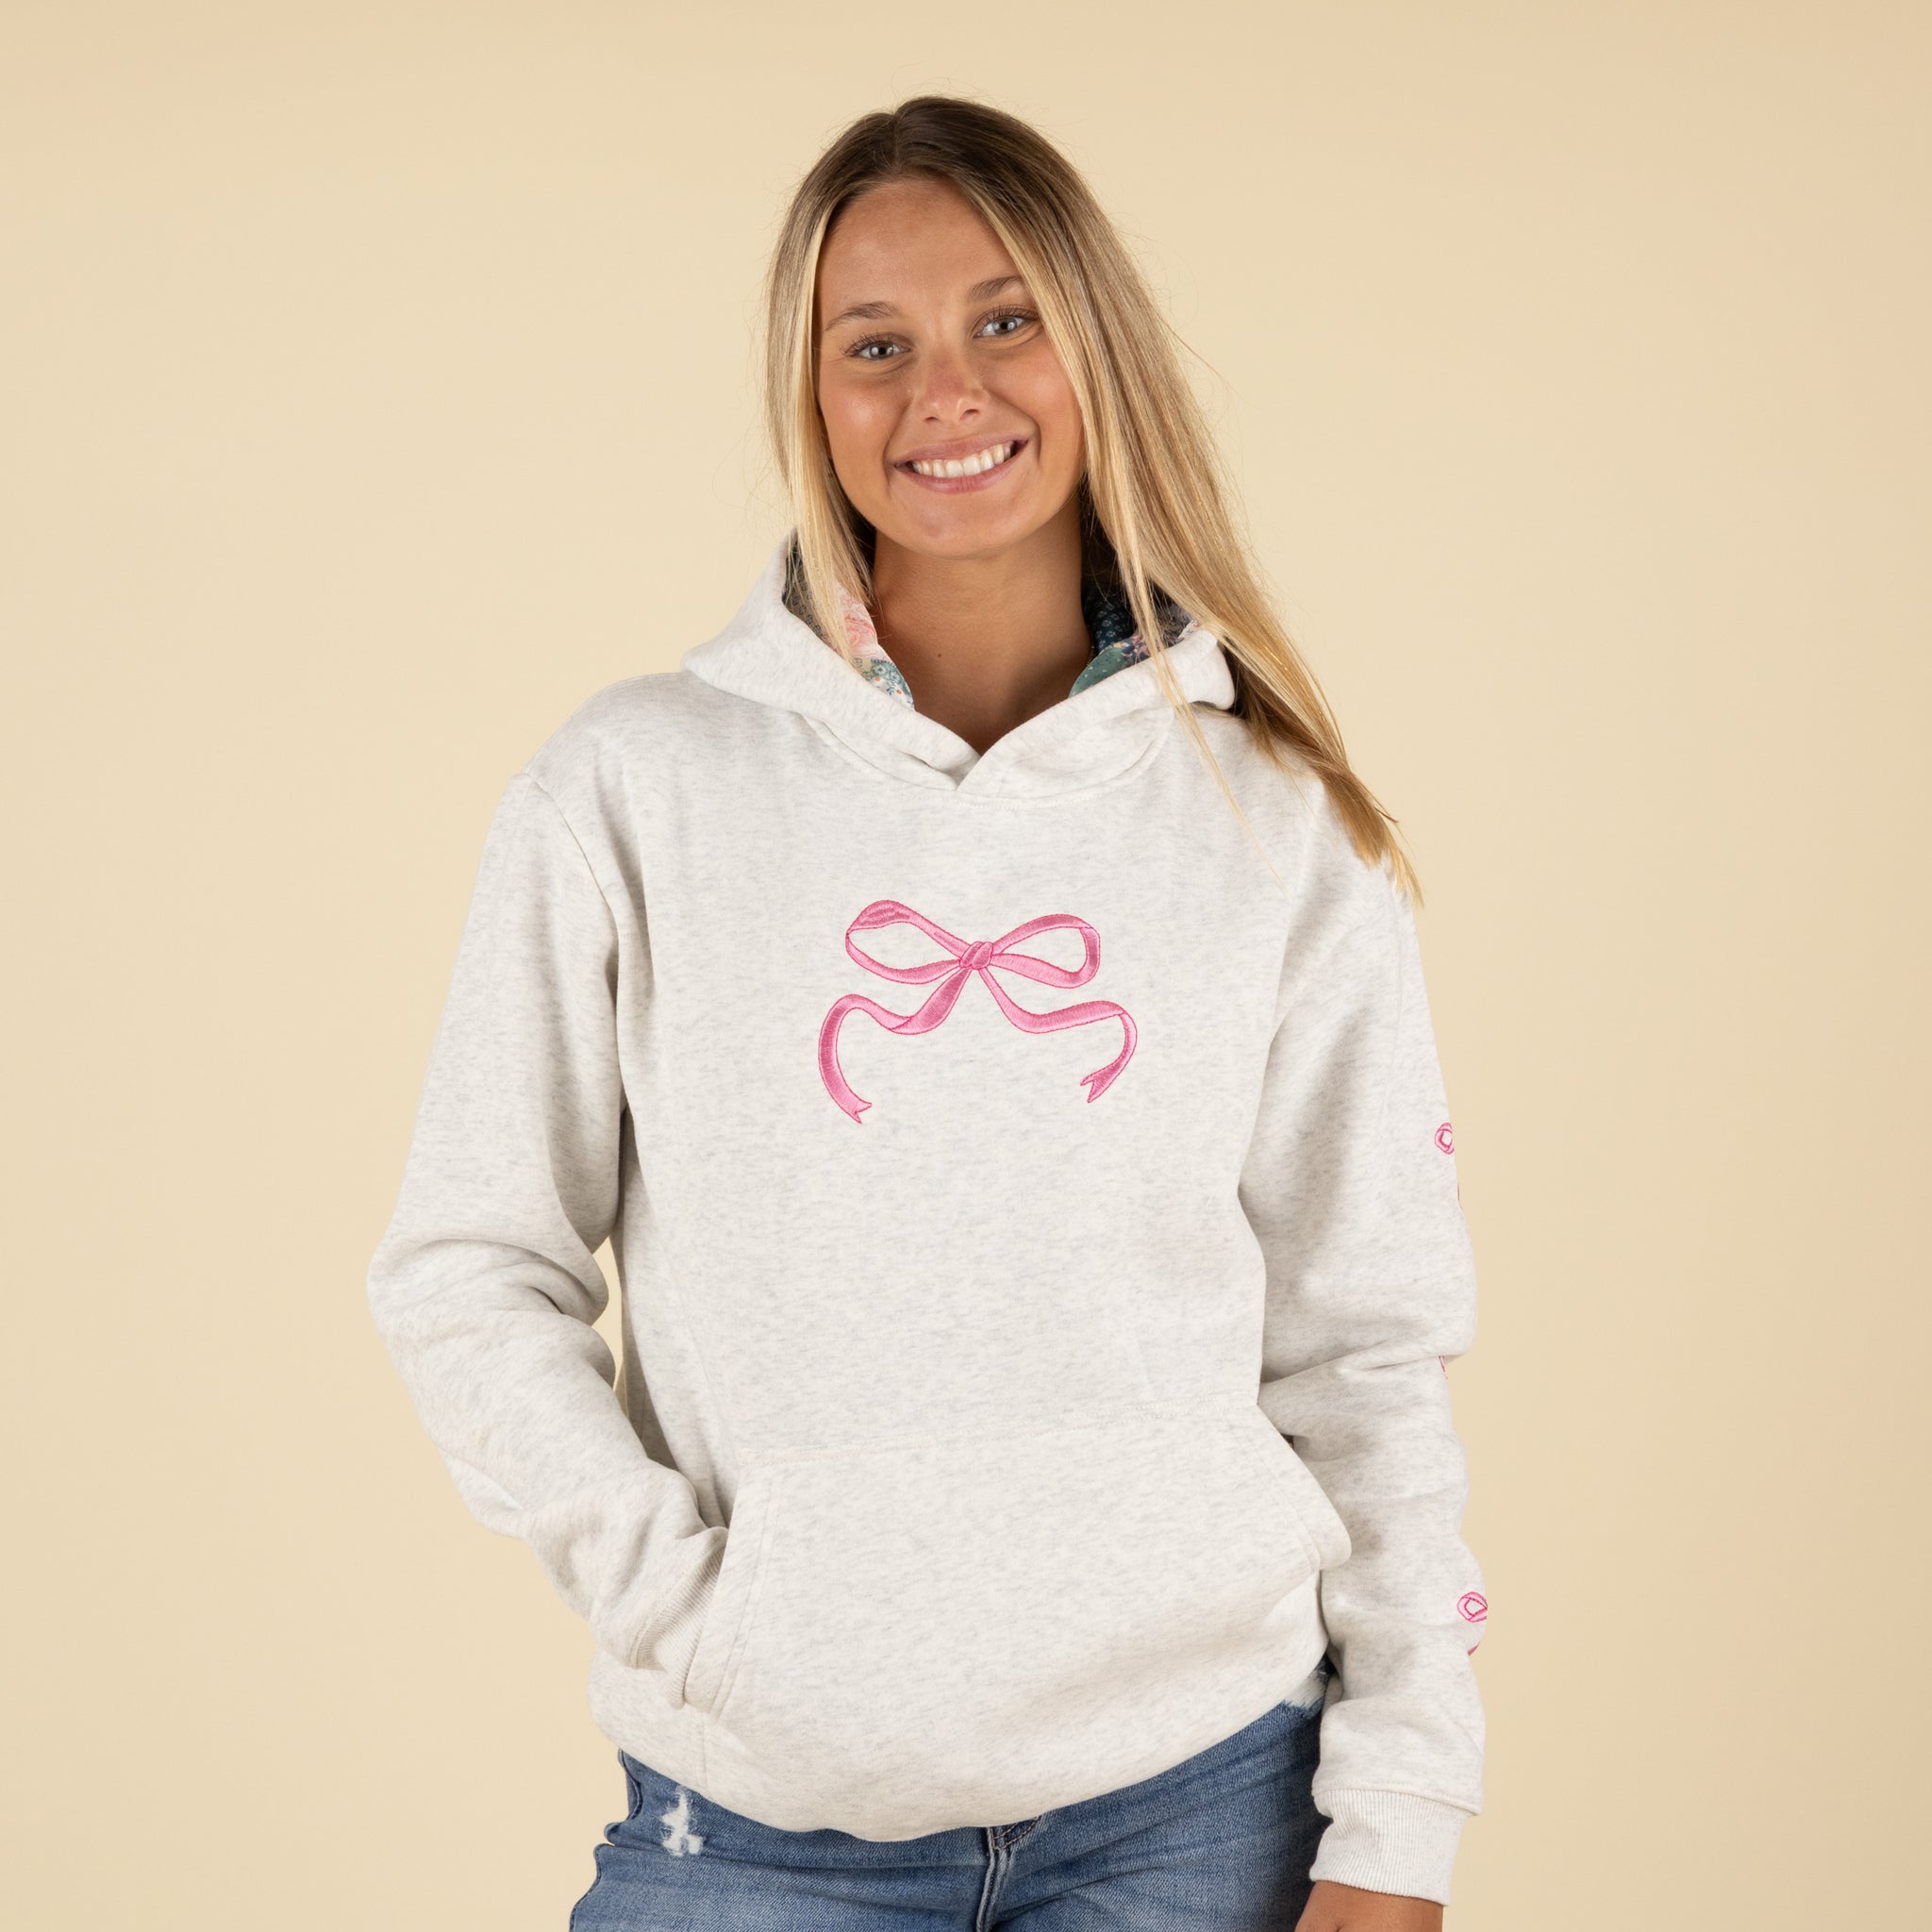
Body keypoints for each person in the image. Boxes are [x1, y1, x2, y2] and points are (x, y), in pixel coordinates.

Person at [366, 94, 1488, 1932]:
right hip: (754, 1818)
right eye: (872, 345)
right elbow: (465, 1265)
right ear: (807, 398)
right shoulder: (633, 789)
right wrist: (683, 1607)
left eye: (1003, 319)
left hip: (1201, 1804)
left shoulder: (1274, 825)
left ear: (1096, 350)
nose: (944, 393)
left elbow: (1366, 1346)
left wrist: (1401, 1816)